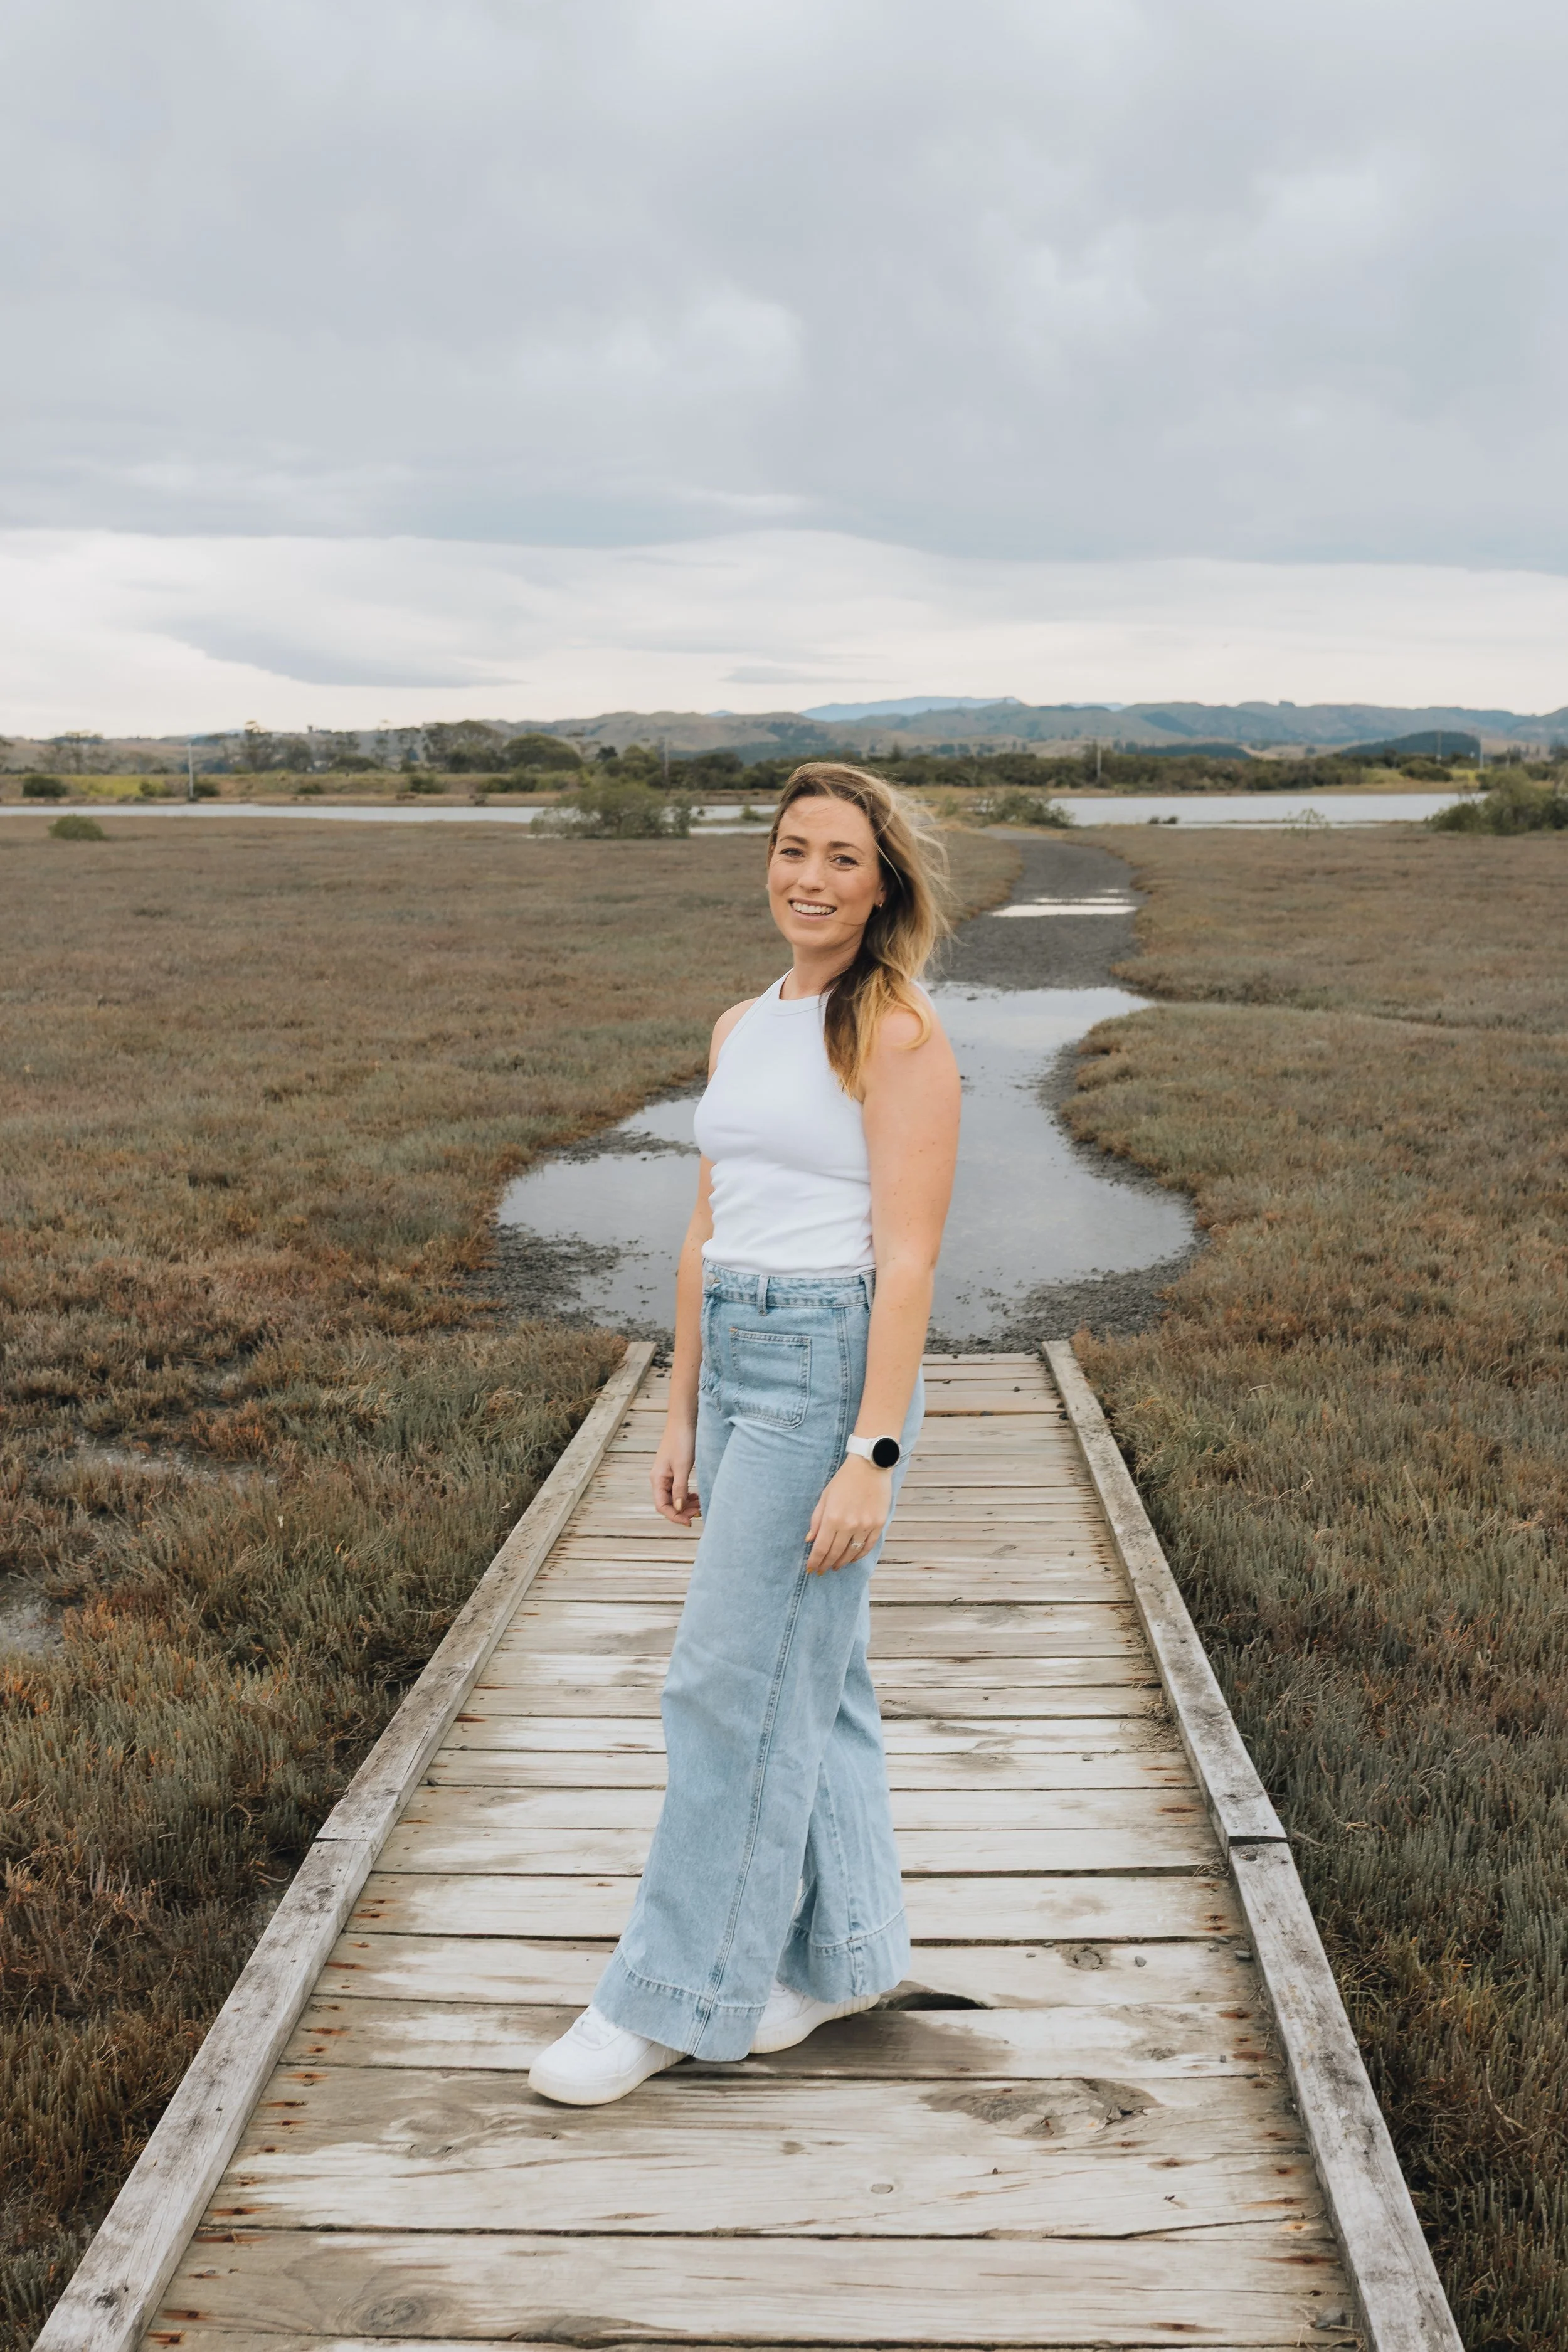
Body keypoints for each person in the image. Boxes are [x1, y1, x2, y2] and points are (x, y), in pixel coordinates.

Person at [529, 762, 961, 2105]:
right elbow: (707, 1228)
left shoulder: (892, 1033)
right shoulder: (741, 1023)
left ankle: (670, 1994)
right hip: (733, 1361)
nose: (809, 878)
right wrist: (675, 1405)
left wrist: (870, 1454)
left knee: (722, 1683)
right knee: (811, 1677)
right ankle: (844, 1959)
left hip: (826, 1367)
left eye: (841, 856)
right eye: (791, 850)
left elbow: (904, 1263)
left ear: (882, 882)